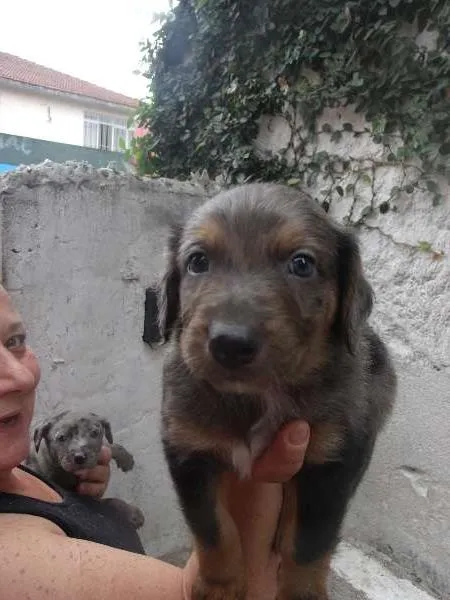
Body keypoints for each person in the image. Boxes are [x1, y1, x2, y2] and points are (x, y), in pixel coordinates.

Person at [0, 284, 311, 600]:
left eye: (14, 341)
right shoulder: (15, 563)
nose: (21, 377)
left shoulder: (16, 469)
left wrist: (78, 504)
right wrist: (250, 469)